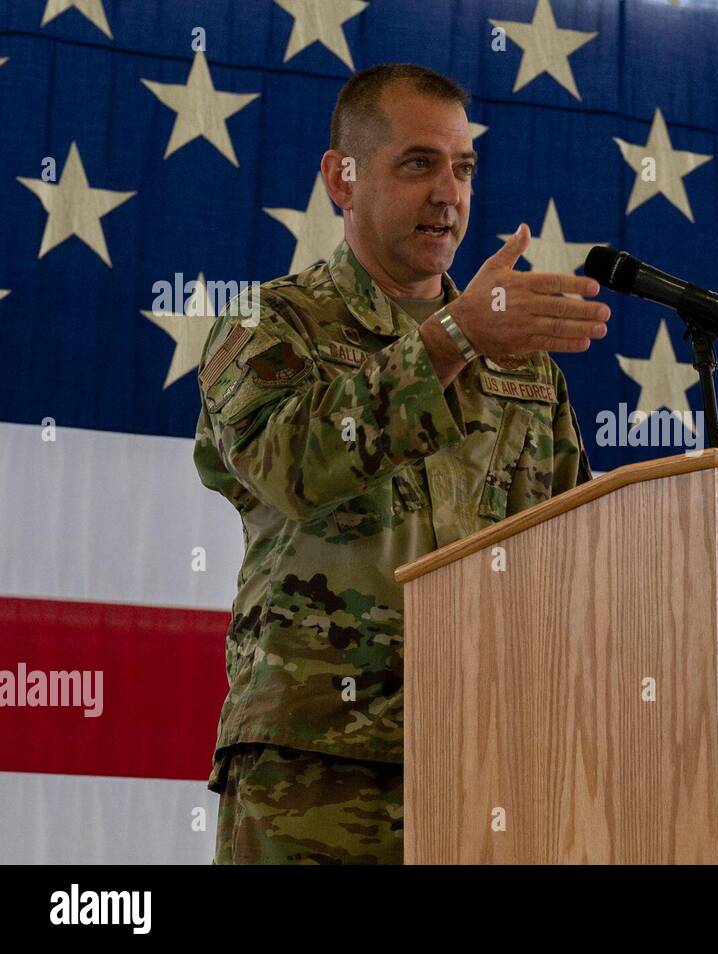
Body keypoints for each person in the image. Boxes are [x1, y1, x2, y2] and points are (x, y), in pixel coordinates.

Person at [193, 63, 609, 864]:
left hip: (490, 766)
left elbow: (573, 555)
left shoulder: (523, 365)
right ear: (340, 179)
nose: (448, 194)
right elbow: (292, 467)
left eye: (464, 168)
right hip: (317, 768)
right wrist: (453, 338)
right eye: (418, 163)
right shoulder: (272, 323)